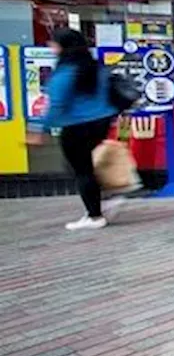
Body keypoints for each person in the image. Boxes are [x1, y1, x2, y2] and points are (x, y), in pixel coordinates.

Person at [27, 28, 121, 230]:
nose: (50, 47)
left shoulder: (66, 71)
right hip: (100, 123)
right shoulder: (95, 67)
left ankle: (94, 215)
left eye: (52, 43)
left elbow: (57, 103)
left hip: (76, 126)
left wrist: (39, 130)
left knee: (81, 170)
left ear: (62, 46)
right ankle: (101, 201)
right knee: (86, 167)